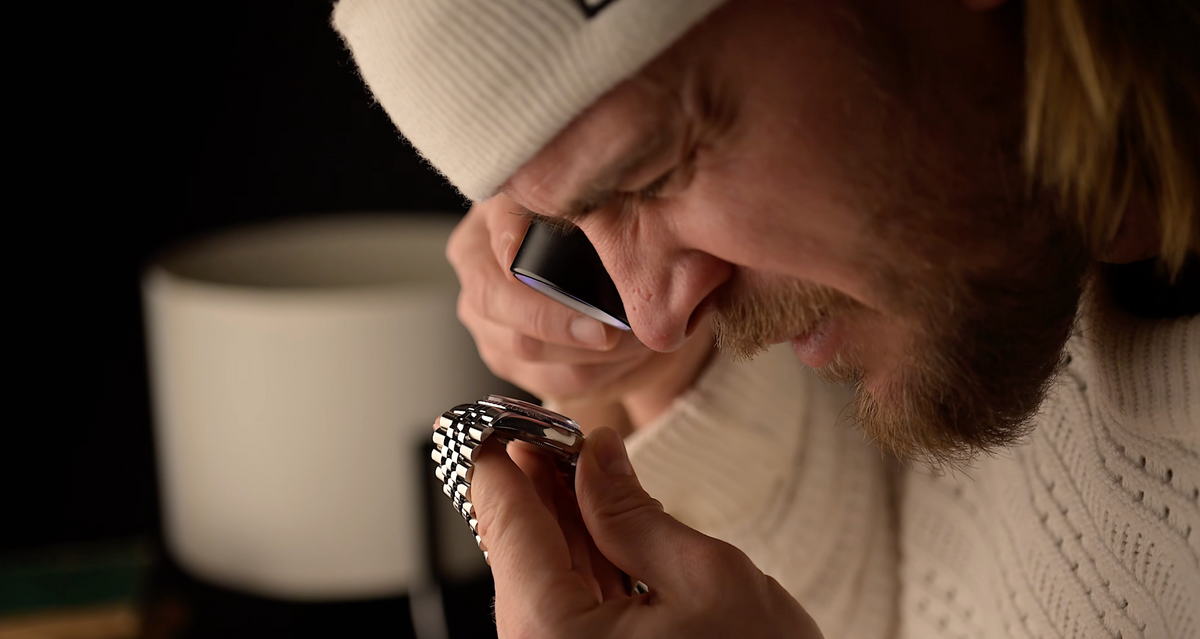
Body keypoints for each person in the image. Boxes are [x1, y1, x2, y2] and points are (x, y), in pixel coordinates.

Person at [333, 0, 1200, 636]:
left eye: (655, 167)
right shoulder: (996, 257)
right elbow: (901, 602)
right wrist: (672, 387)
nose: (653, 316)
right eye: (571, 227)